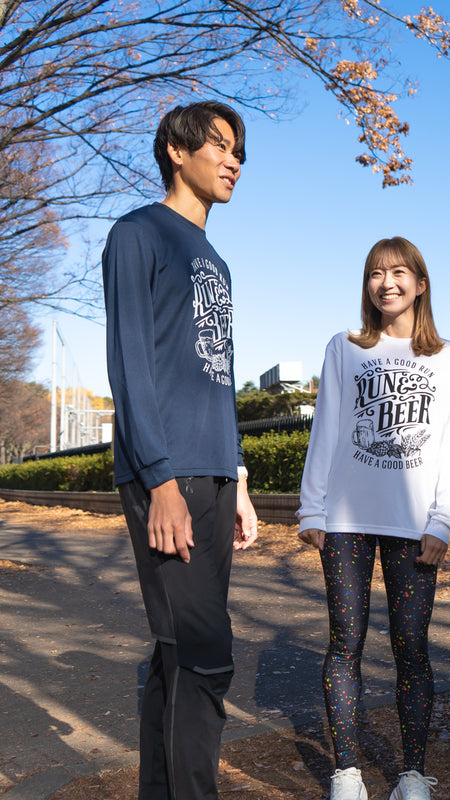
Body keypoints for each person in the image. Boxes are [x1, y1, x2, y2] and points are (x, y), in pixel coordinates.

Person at [102, 101, 259, 800]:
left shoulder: (216, 261)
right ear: (176, 149)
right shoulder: (138, 234)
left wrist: (241, 479)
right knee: (204, 656)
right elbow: (130, 363)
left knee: (177, 658)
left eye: (239, 153)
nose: (233, 162)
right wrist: (159, 480)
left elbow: (216, 377)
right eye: (221, 147)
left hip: (216, 474)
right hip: (167, 474)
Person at [296, 237, 450, 800]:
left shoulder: (449, 358)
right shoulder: (345, 347)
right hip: (346, 519)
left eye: (399, 272)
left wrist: (444, 520)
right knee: (345, 642)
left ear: (421, 284)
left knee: (411, 647)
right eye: (376, 273)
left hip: (414, 525)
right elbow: (325, 428)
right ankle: (346, 773)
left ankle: (412, 775)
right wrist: (312, 506)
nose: (387, 282)